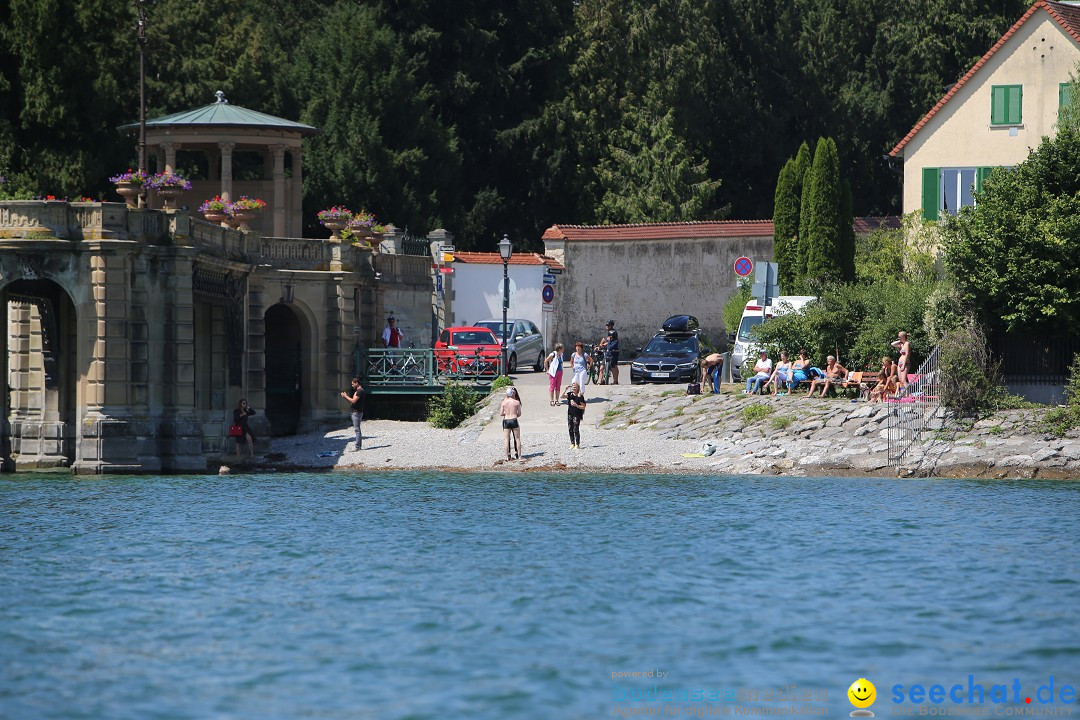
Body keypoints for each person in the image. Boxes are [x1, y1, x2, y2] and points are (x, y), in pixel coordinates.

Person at [340, 377, 365, 450]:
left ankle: (357, 446)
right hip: (356, 412)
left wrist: (345, 396)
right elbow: (352, 402)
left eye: (353, 384)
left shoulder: (360, 391)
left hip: (356, 413)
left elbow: (353, 401)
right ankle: (358, 446)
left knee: (357, 429)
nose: (352, 385)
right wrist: (345, 397)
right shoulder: (357, 391)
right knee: (357, 429)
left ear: (356, 383)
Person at [499, 386, 523, 460]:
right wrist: (514, 415)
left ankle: (507, 457)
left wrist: (506, 414)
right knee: (517, 439)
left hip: (506, 420)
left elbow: (501, 413)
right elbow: (519, 413)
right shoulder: (516, 402)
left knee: (506, 439)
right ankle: (519, 456)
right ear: (513, 393)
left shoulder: (504, 402)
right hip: (514, 420)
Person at [563, 382, 587, 449]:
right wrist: (565, 389)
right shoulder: (570, 394)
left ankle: (577, 444)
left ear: (577, 388)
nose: (573, 388)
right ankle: (572, 443)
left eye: (575, 387)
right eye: (573, 387)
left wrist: (576, 405)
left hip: (577, 414)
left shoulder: (580, 396)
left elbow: (583, 406)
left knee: (576, 429)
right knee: (570, 428)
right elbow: (562, 397)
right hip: (570, 414)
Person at [233, 398, 256, 462]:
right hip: (238, 428)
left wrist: (248, 408)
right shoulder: (236, 411)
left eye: (245, 403)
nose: (245, 404)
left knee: (250, 439)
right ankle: (239, 459)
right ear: (240, 404)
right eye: (243, 403)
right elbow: (235, 419)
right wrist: (241, 415)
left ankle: (252, 455)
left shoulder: (246, 411)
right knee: (239, 443)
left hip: (245, 427)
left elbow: (253, 412)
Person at [602, 319, 620, 385]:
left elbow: (615, 341)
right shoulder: (609, 332)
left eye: (608, 325)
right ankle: (602, 380)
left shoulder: (614, 332)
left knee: (614, 366)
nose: (606, 326)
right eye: (606, 325)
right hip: (609, 351)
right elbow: (610, 342)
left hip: (614, 351)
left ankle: (615, 381)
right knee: (609, 366)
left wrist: (609, 346)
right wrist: (605, 344)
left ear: (611, 325)